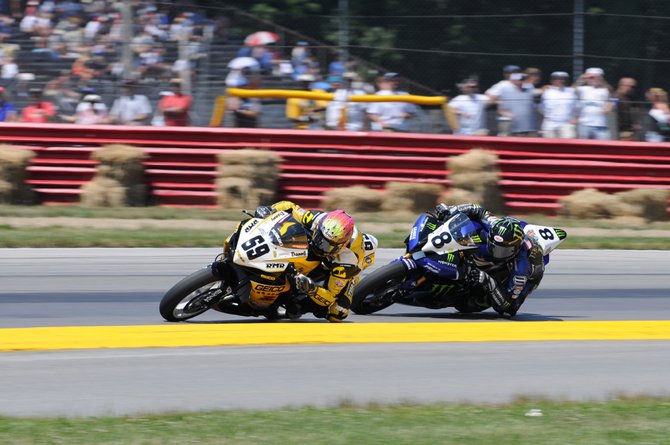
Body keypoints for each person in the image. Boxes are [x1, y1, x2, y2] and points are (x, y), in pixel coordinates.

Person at [244, 200, 377, 322]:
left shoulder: (348, 259)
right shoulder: (317, 219)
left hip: (343, 267)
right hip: (330, 242)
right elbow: (290, 207)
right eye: (319, 237)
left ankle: (297, 306)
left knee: (337, 313)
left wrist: (311, 289)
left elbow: (330, 296)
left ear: (341, 245)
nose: (319, 244)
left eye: (326, 245)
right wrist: (269, 209)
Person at [433, 203, 547, 318]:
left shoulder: (521, 269)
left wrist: (489, 281)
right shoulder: (494, 225)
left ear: (515, 249)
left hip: (526, 274)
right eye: (494, 247)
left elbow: (510, 308)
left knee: (467, 305)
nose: (496, 253)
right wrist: (451, 210)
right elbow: (477, 209)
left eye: (503, 251)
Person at [575, 67, 612, 140]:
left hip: (601, 125)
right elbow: (572, 90)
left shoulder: (605, 90)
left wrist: (600, 80)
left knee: (604, 145)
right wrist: (581, 78)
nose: (594, 79)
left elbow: (610, 96)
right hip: (584, 124)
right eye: (591, 77)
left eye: (597, 77)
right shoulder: (583, 89)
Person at [498, 72, 538, 136]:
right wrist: (509, 115)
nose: (523, 82)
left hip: (531, 128)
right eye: (520, 80)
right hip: (515, 130)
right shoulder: (507, 93)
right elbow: (501, 110)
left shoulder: (530, 90)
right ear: (513, 81)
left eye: (524, 79)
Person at [540, 71, 577, 138]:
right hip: (550, 124)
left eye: (563, 79)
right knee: (549, 143)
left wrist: (576, 118)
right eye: (557, 79)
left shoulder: (571, 91)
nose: (560, 81)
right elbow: (541, 109)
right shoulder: (546, 92)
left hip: (566, 123)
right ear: (552, 80)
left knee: (568, 142)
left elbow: (577, 107)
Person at [612, 77, 642, 141]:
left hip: (629, 130)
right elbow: (611, 113)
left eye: (633, 87)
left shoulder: (630, 97)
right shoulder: (615, 97)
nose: (631, 89)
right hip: (621, 131)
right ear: (622, 85)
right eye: (630, 86)